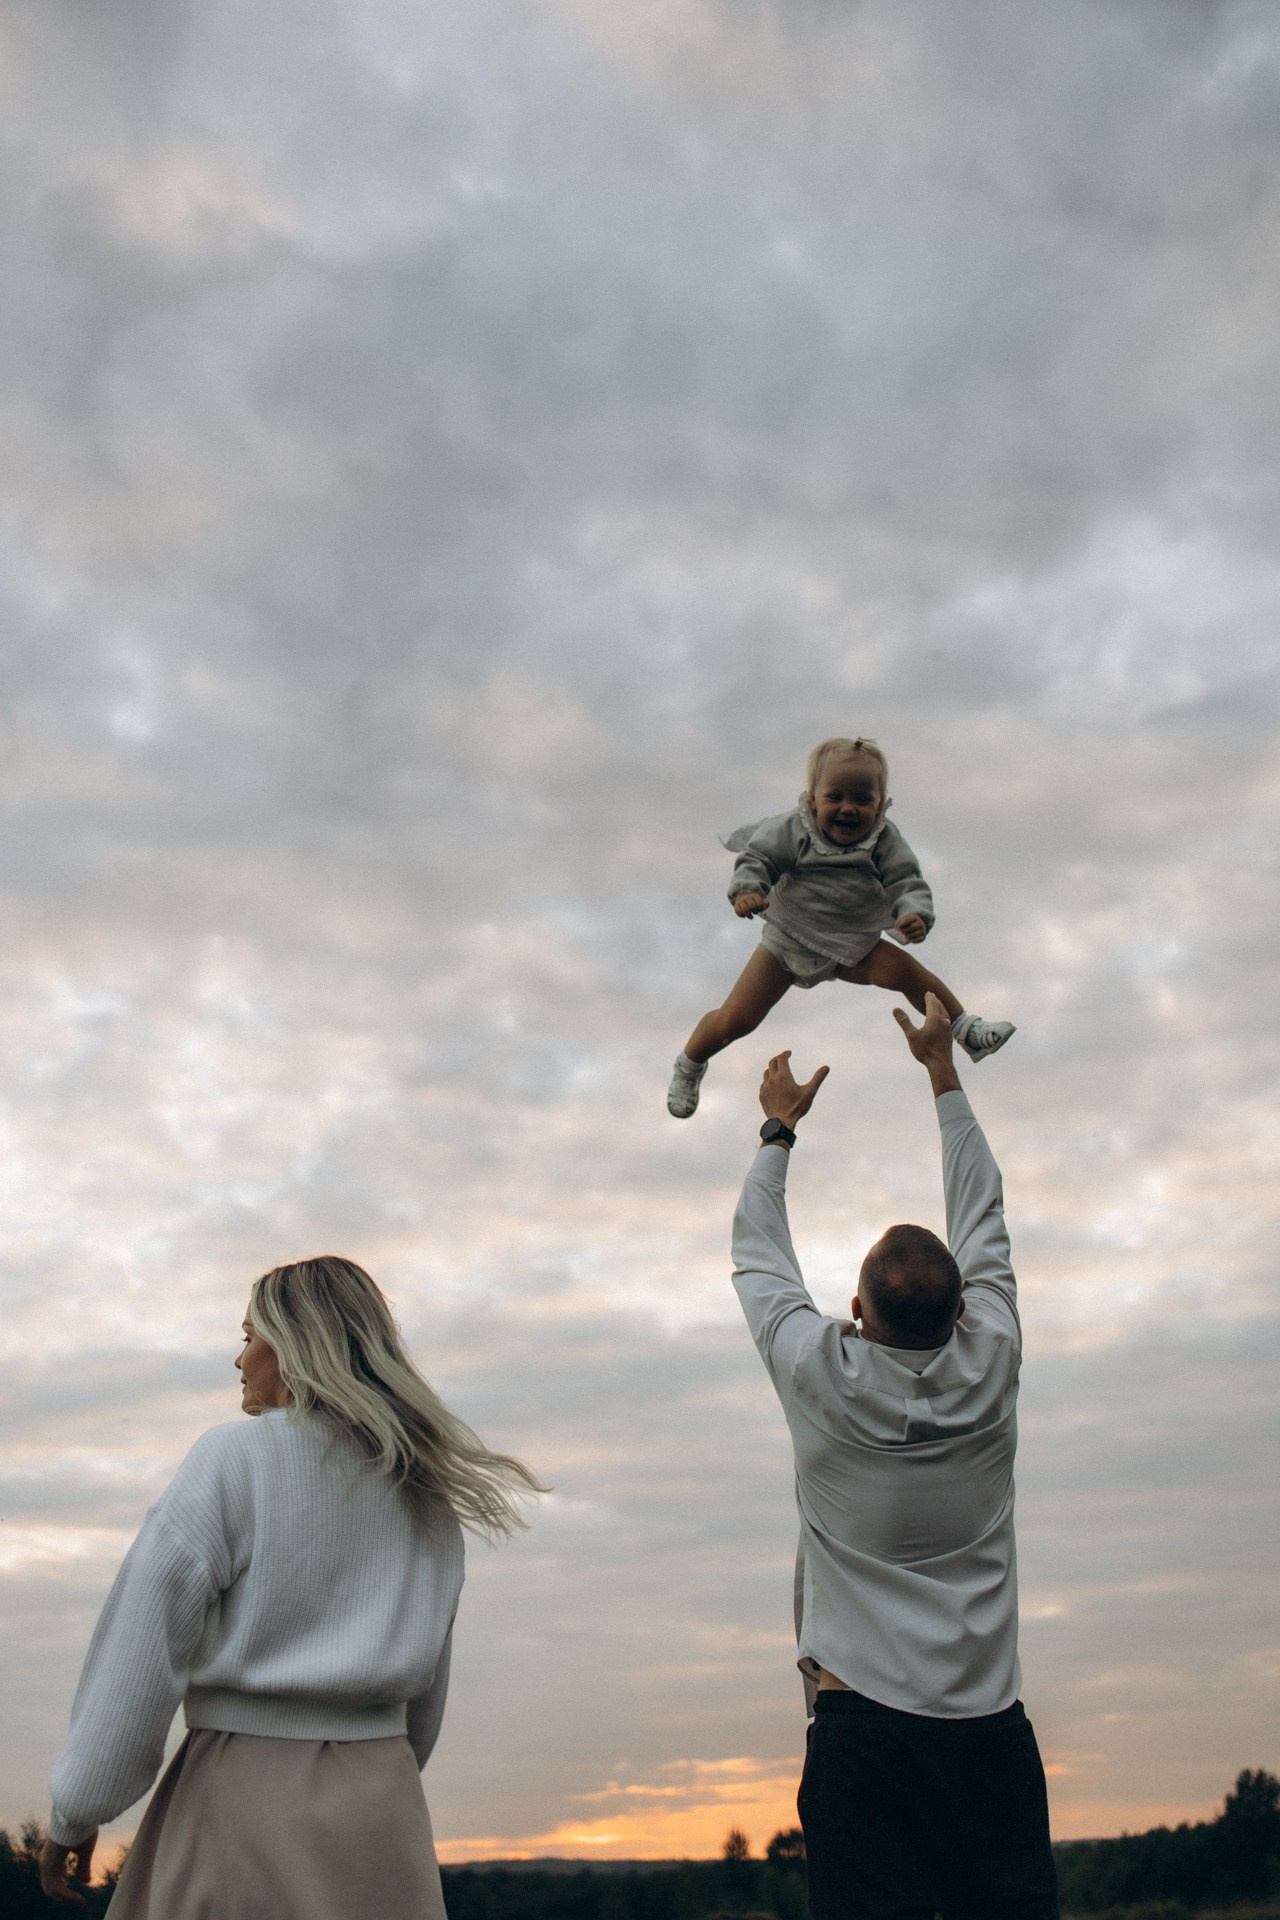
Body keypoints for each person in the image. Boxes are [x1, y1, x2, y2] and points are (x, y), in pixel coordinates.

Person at [41, 1256, 543, 1916]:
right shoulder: (424, 1488)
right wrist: (372, 1765)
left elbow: (139, 1651)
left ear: (297, 1346)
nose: (239, 1359)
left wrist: (75, 1813)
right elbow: (426, 1698)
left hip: (241, 1797)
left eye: (250, 1336)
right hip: (382, 1809)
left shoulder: (233, 1458)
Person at [730, 998, 1059, 1920]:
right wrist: (943, 1072)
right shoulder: (993, 1356)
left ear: (854, 1310)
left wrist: (778, 1129)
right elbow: (982, 1211)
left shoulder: (816, 1369)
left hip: (862, 1736)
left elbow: (757, 1252)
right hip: (991, 1734)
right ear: (962, 1311)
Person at [667, 736, 1014, 1118]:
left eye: (863, 800)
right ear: (813, 798)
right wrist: (748, 890)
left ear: (880, 804)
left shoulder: (885, 840)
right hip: (788, 940)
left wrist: (914, 912)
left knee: (907, 972)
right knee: (736, 1020)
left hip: (853, 943)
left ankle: (966, 1029)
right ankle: (690, 1063)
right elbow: (759, 856)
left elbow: (905, 880)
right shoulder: (792, 829)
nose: (848, 808)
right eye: (836, 797)